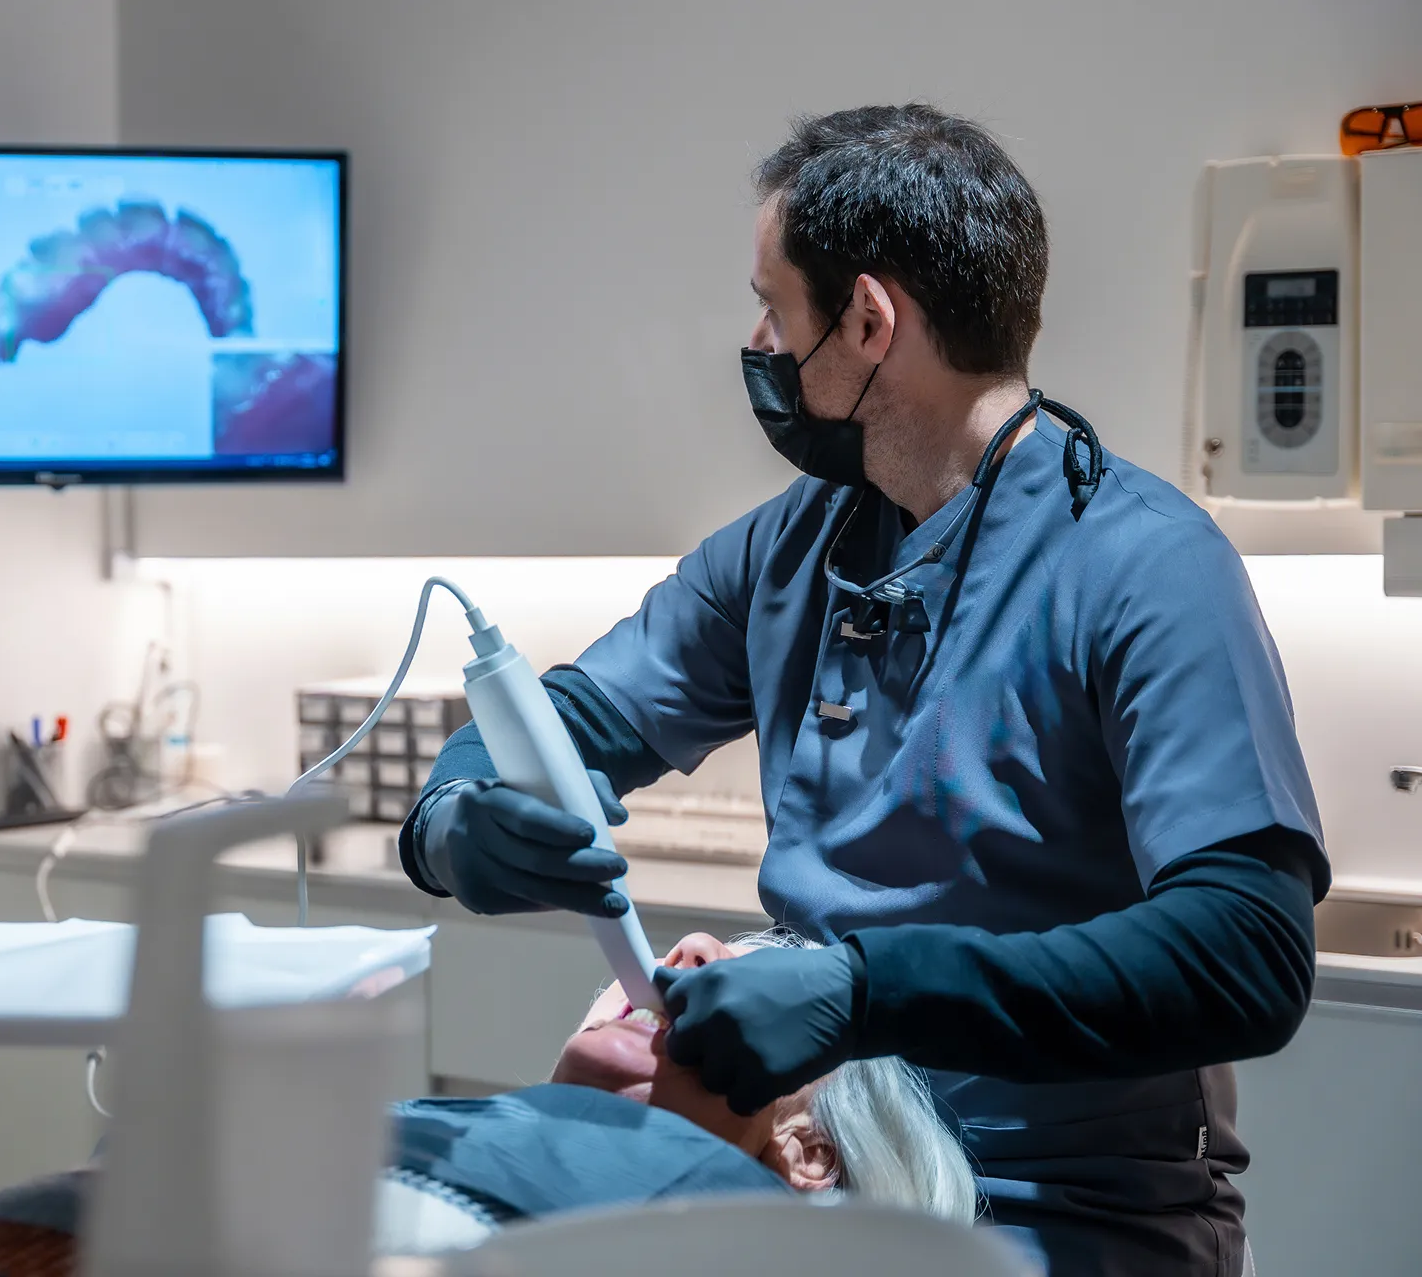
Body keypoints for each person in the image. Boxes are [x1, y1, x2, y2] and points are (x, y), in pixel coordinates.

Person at [397, 104, 1326, 1277]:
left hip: (1059, 1212)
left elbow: (1243, 952)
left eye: (776, 309)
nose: (761, 342)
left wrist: (864, 989)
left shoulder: (1144, 566)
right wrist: (455, 816)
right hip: (804, 1178)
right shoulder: (792, 551)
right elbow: (572, 718)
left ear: (870, 320)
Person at [0, 932, 976, 1277]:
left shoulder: (721, 1228)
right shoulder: (490, 1148)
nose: (680, 953)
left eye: (751, 981)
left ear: (804, 1151)